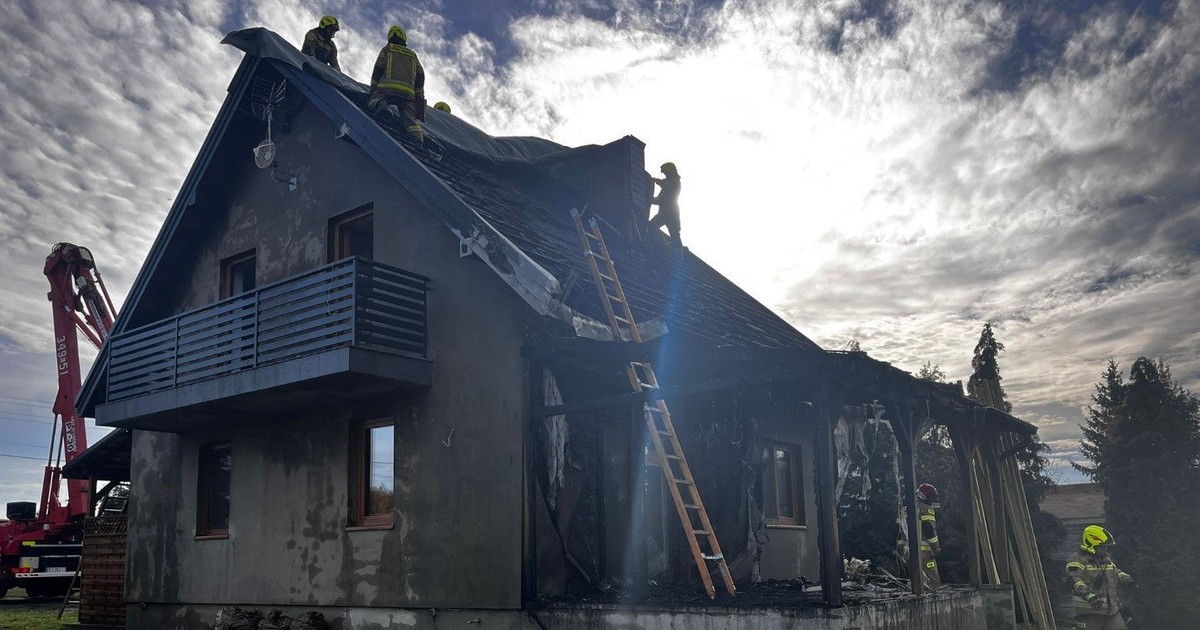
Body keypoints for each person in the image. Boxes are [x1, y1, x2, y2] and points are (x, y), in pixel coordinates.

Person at [1066, 526, 1133, 629]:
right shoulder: (1077, 559)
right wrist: (1089, 596)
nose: (1106, 550)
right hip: (1089, 612)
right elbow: (1075, 579)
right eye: (1103, 547)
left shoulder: (1105, 560)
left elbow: (1116, 572)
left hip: (1111, 612)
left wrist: (1129, 580)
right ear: (1091, 545)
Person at [368, 25, 426, 142]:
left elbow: (378, 68)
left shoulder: (387, 48)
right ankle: (418, 138)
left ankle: (382, 106)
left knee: (372, 101)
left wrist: (373, 90)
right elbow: (421, 75)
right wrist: (419, 93)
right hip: (408, 94)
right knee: (410, 119)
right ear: (404, 38)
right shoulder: (412, 54)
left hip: (386, 89)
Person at [648, 162, 682, 247]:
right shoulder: (670, 184)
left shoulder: (674, 182)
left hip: (670, 213)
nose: (665, 175)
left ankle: (675, 253)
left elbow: (668, 186)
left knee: (674, 235)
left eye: (666, 173)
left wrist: (657, 181)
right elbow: (659, 200)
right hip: (666, 213)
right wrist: (650, 199)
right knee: (652, 226)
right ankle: (664, 246)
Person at [915, 483, 942, 589]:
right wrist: (936, 547)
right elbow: (928, 529)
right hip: (924, 553)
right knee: (934, 583)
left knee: (918, 583)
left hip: (908, 554)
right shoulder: (926, 509)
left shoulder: (908, 509)